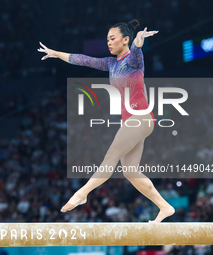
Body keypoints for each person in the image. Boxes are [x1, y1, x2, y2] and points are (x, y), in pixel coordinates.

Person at [37, 19, 175, 223]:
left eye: (112, 38)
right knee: (129, 170)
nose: (108, 42)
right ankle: (165, 207)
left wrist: (138, 40)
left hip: (140, 118)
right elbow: (84, 60)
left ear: (125, 39)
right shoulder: (111, 63)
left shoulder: (134, 60)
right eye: (107, 39)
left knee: (110, 156)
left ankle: (83, 193)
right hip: (134, 121)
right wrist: (57, 54)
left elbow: (137, 48)